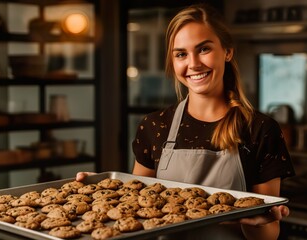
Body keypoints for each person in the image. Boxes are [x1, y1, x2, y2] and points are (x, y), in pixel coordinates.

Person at [77, 3, 295, 240]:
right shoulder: (154, 126)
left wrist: (258, 222)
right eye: (181, 54)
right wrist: (97, 193)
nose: (193, 64)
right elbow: (137, 208)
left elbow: (269, 234)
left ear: (227, 51)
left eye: (203, 49)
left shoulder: (260, 130)